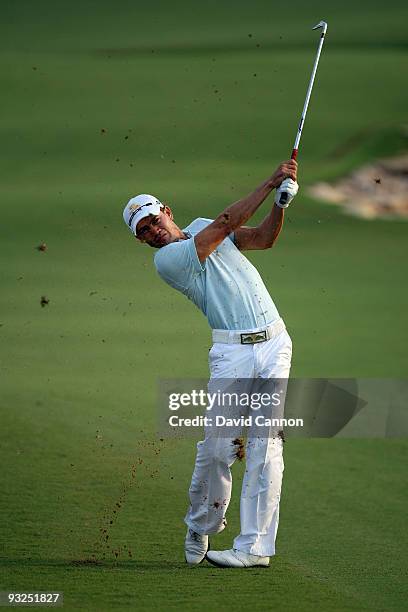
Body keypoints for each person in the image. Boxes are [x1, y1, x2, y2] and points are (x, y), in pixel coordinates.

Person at [122, 160, 298, 568]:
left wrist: (281, 204)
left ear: (165, 210)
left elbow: (264, 239)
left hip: (275, 343)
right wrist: (270, 181)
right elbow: (225, 223)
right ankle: (202, 524)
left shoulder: (202, 223)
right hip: (232, 352)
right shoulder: (168, 261)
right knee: (218, 449)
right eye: (142, 232)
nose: (151, 231)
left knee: (266, 446)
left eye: (151, 220)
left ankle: (253, 548)